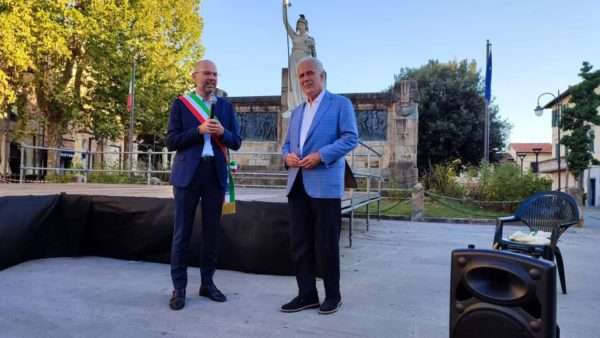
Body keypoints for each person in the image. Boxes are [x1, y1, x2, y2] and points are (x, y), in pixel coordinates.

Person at [280, 57, 358, 315]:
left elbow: (350, 138)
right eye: (301, 75)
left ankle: (333, 296)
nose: (305, 79)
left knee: (326, 243)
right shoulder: (298, 112)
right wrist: (287, 157)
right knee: (299, 243)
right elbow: (286, 145)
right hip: (297, 184)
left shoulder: (340, 104)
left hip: (325, 185)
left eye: (310, 73)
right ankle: (307, 295)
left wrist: (321, 155)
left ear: (322, 76)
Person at [166, 60, 241, 311]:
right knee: (182, 233)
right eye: (207, 73)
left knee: (211, 233)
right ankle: (179, 289)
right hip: (188, 175)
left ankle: (207, 284)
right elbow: (171, 141)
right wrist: (198, 130)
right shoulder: (181, 104)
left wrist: (222, 133)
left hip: (215, 175)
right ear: (195, 76)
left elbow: (237, 142)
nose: (212, 78)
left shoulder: (226, 108)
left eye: (215, 74)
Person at [283, 0, 316, 112]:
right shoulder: (294, 36)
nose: (299, 26)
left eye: (301, 24)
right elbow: (285, 22)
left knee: (303, 82)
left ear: (305, 26)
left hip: (304, 60)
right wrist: (284, 8)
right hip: (294, 60)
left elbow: (315, 58)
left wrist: (313, 47)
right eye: (298, 24)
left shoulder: (310, 39)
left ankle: (305, 104)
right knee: (294, 83)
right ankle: (294, 106)